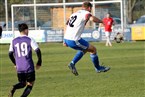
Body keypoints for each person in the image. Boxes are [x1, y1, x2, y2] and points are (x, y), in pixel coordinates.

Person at [63, 1, 110, 76]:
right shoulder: (86, 13)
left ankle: (72, 63)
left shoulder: (74, 14)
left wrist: (64, 39)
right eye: (91, 9)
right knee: (93, 50)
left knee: (85, 49)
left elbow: (67, 24)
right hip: (74, 40)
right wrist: (101, 21)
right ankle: (98, 68)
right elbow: (91, 18)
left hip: (67, 38)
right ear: (89, 8)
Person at [8, 23, 42, 97]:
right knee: (30, 83)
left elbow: (10, 54)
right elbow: (38, 50)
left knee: (22, 83)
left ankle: (14, 87)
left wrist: (15, 63)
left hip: (19, 67)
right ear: (26, 30)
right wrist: (39, 62)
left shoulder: (13, 40)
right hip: (28, 66)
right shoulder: (29, 39)